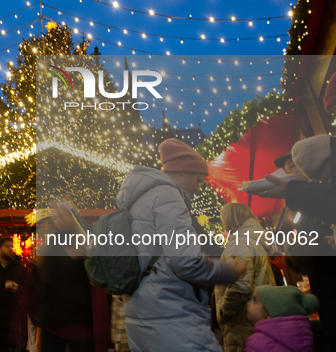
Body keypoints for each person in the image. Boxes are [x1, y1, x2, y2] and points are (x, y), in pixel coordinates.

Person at [116, 138, 243, 352]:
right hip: (173, 316)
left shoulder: (137, 201)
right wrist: (231, 271)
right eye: (198, 180)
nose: (199, 188)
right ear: (183, 172)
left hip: (141, 316)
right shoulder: (168, 196)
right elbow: (186, 261)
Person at [256, 135, 336, 351]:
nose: (289, 173)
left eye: (293, 167)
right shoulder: (310, 202)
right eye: (287, 169)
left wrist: (296, 250)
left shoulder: (318, 198)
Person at [214, 203, 276, 352]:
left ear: (230, 219)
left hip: (242, 322)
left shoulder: (240, 243)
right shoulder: (252, 239)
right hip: (255, 318)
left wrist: (223, 313)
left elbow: (240, 286)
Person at [245, 286, 319, 352]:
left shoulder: (257, 343)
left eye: (255, 301)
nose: (248, 304)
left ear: (269, 311)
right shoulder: (304, 337)